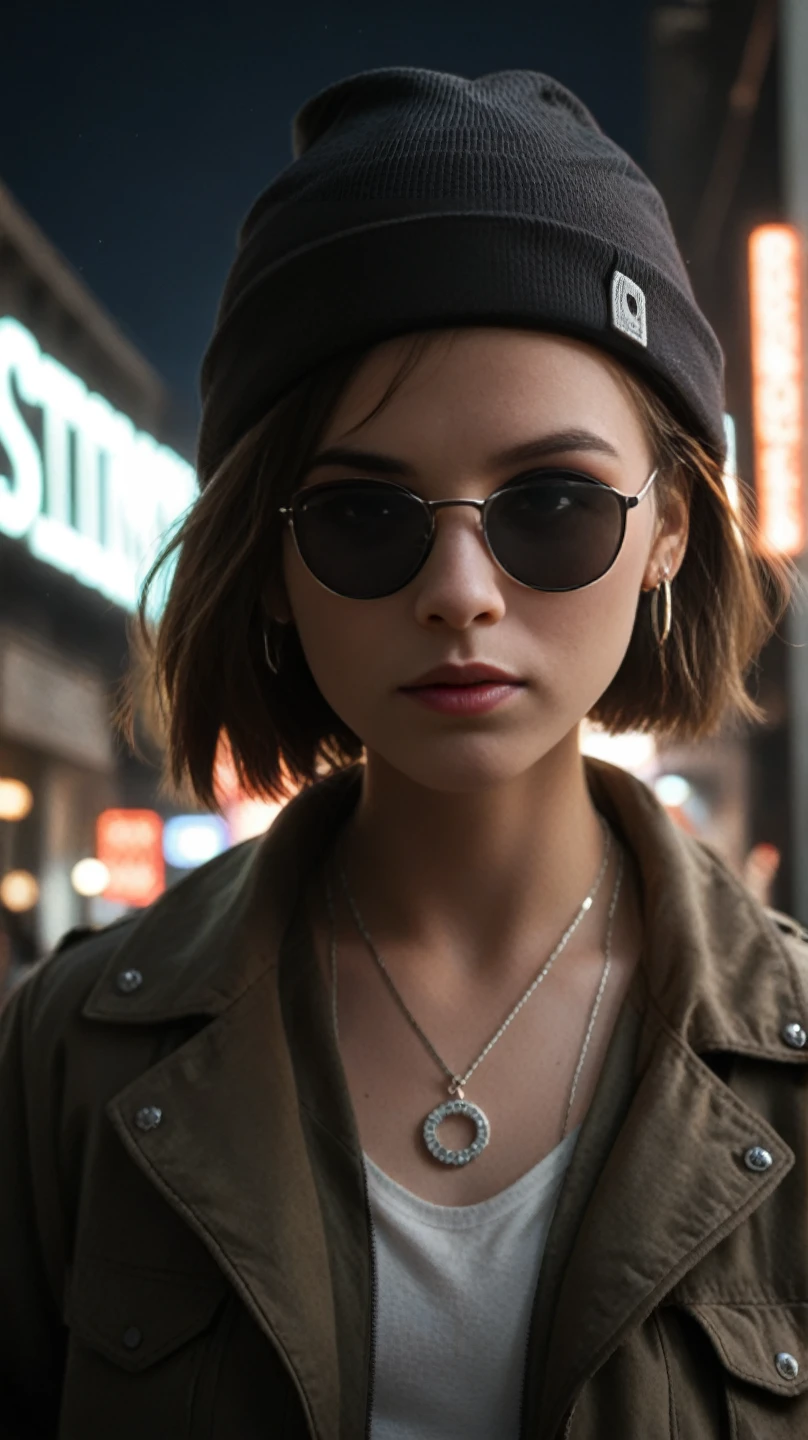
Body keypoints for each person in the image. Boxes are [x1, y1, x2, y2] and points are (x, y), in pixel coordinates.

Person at [1, 66, 807, 1440]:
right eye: (364, 515)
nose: (461, 589)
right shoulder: (65, 1063)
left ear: (670, 526)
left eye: (552, 504)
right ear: (267, 560)